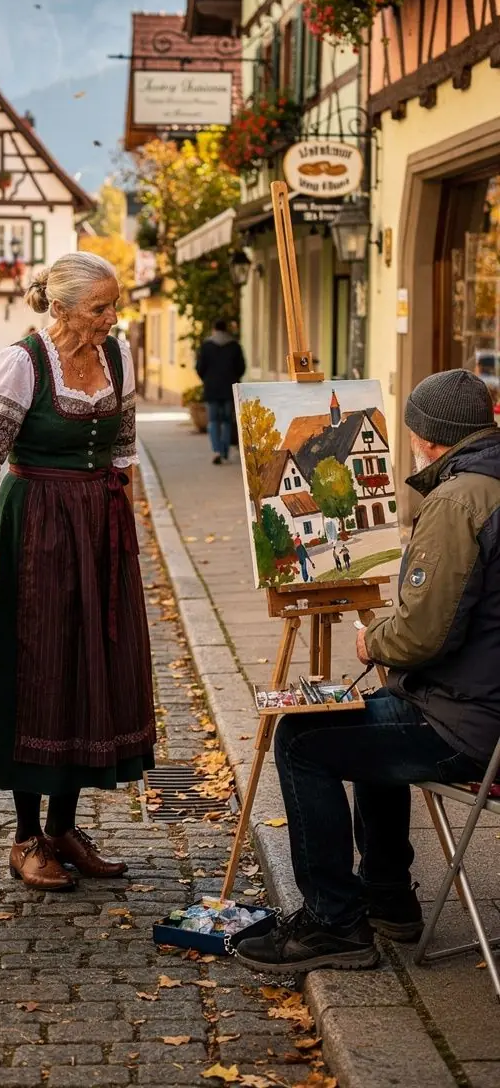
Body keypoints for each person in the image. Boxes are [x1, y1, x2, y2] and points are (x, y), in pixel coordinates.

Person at [236, 368, 500, 975]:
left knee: (303, 739)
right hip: (479, 705)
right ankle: (386, 895)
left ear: (427, 438)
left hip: (469, 725)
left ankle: (334, 923)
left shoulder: (460, 499)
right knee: (367, 717)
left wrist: (370, 640)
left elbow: (418, 636)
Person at [0, 251, 157, 890]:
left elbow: (124, 450)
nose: (111, 317)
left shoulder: (119, 357)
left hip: (99, 526)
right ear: (63, 306)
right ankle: (26, 838)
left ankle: (66, 827)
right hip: (38, 526)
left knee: (90, 666)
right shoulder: (23, 362)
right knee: (39, 668)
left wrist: (123, 538)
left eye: (114, 304)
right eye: (100, 306)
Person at [195, 318, 246, 465]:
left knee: (213, 421)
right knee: (227, 421)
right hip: (229, 389)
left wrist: (207, 379)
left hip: (212, 389)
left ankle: (216, 450)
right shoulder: (235, 346)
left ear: (214, 329)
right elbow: (241, 368)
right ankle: (225, 451)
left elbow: (199, 368)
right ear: (226, 329)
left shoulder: (206, 346)